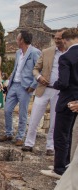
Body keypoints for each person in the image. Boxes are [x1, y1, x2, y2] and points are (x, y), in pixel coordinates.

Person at [41, 28, 78, 179]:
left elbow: (63, 82)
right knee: (69, 134)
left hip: (66, 100)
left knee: (60, 134)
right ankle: (65, 163)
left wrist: (53, 84)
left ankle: (58, 169)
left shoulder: (66, 57)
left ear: (65, 40)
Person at [22, 29, 67, 155]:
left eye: (59, 38)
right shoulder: (47, 52)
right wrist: (39, 78)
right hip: (43, 89)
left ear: (65, 39)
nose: (57, 40)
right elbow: (36, 69)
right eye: (55, 38)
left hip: (60, 92)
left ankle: (50, 147)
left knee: (55, 120)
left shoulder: (70, 53)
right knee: (35, 117)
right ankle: (29, 143)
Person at [0, 30, 41, 146]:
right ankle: (8, 133)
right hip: (14, 84)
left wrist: (33, 86)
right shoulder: (18, 52)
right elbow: (16, 68)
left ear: (22, 40)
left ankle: (20, 136)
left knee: (23, 112)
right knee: (7, 110)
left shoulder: (35, 52)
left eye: (17, 38)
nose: (16, 40)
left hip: (25, 86)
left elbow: (39, 69)